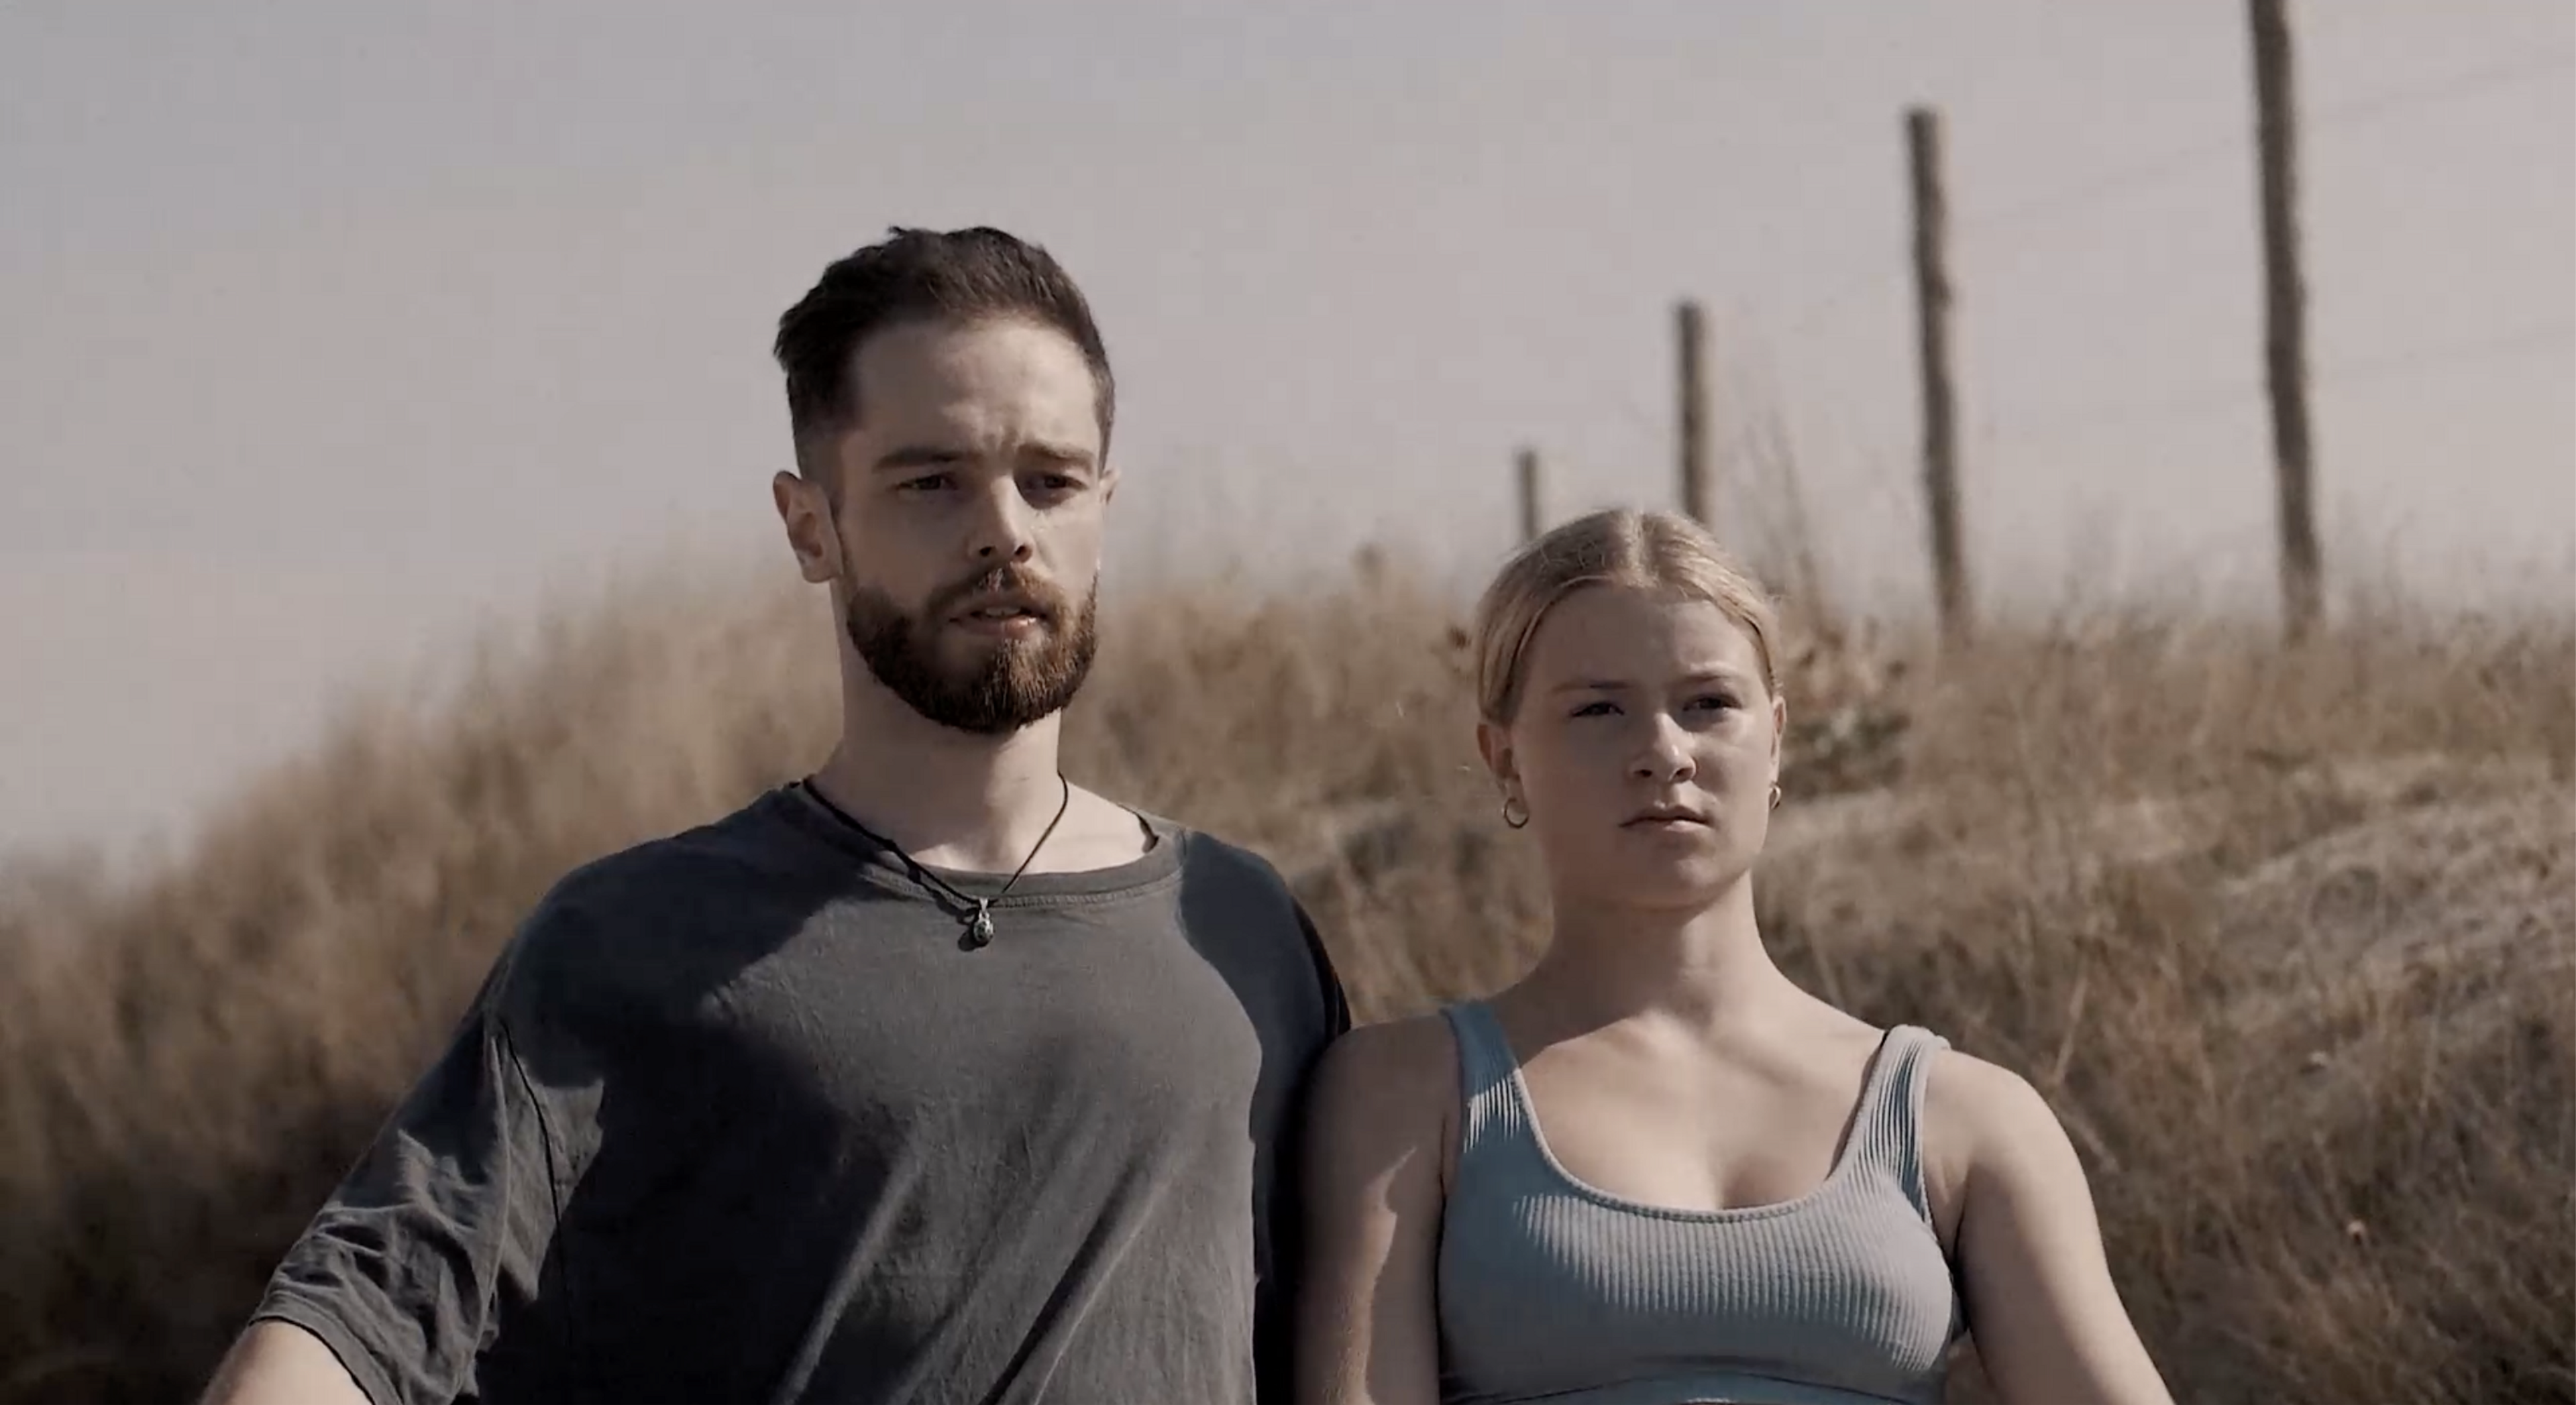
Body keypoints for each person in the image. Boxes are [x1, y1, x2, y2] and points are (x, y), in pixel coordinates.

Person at [198, 225, 1349, 1405]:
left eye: (1049, 480)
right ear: (813, 527)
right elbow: (376, 1307)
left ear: (1105, 507)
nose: (1005, 527)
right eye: (930, 480)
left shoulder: (1243, 928)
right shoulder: (640, 938)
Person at [1292, 508, 2173, 1405]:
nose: (1664, 752)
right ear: (1505, 758)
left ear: (1777, 737)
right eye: (1599, 709)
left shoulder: (1964, 1118)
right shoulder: (1404, 1098)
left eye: (1708, 703)